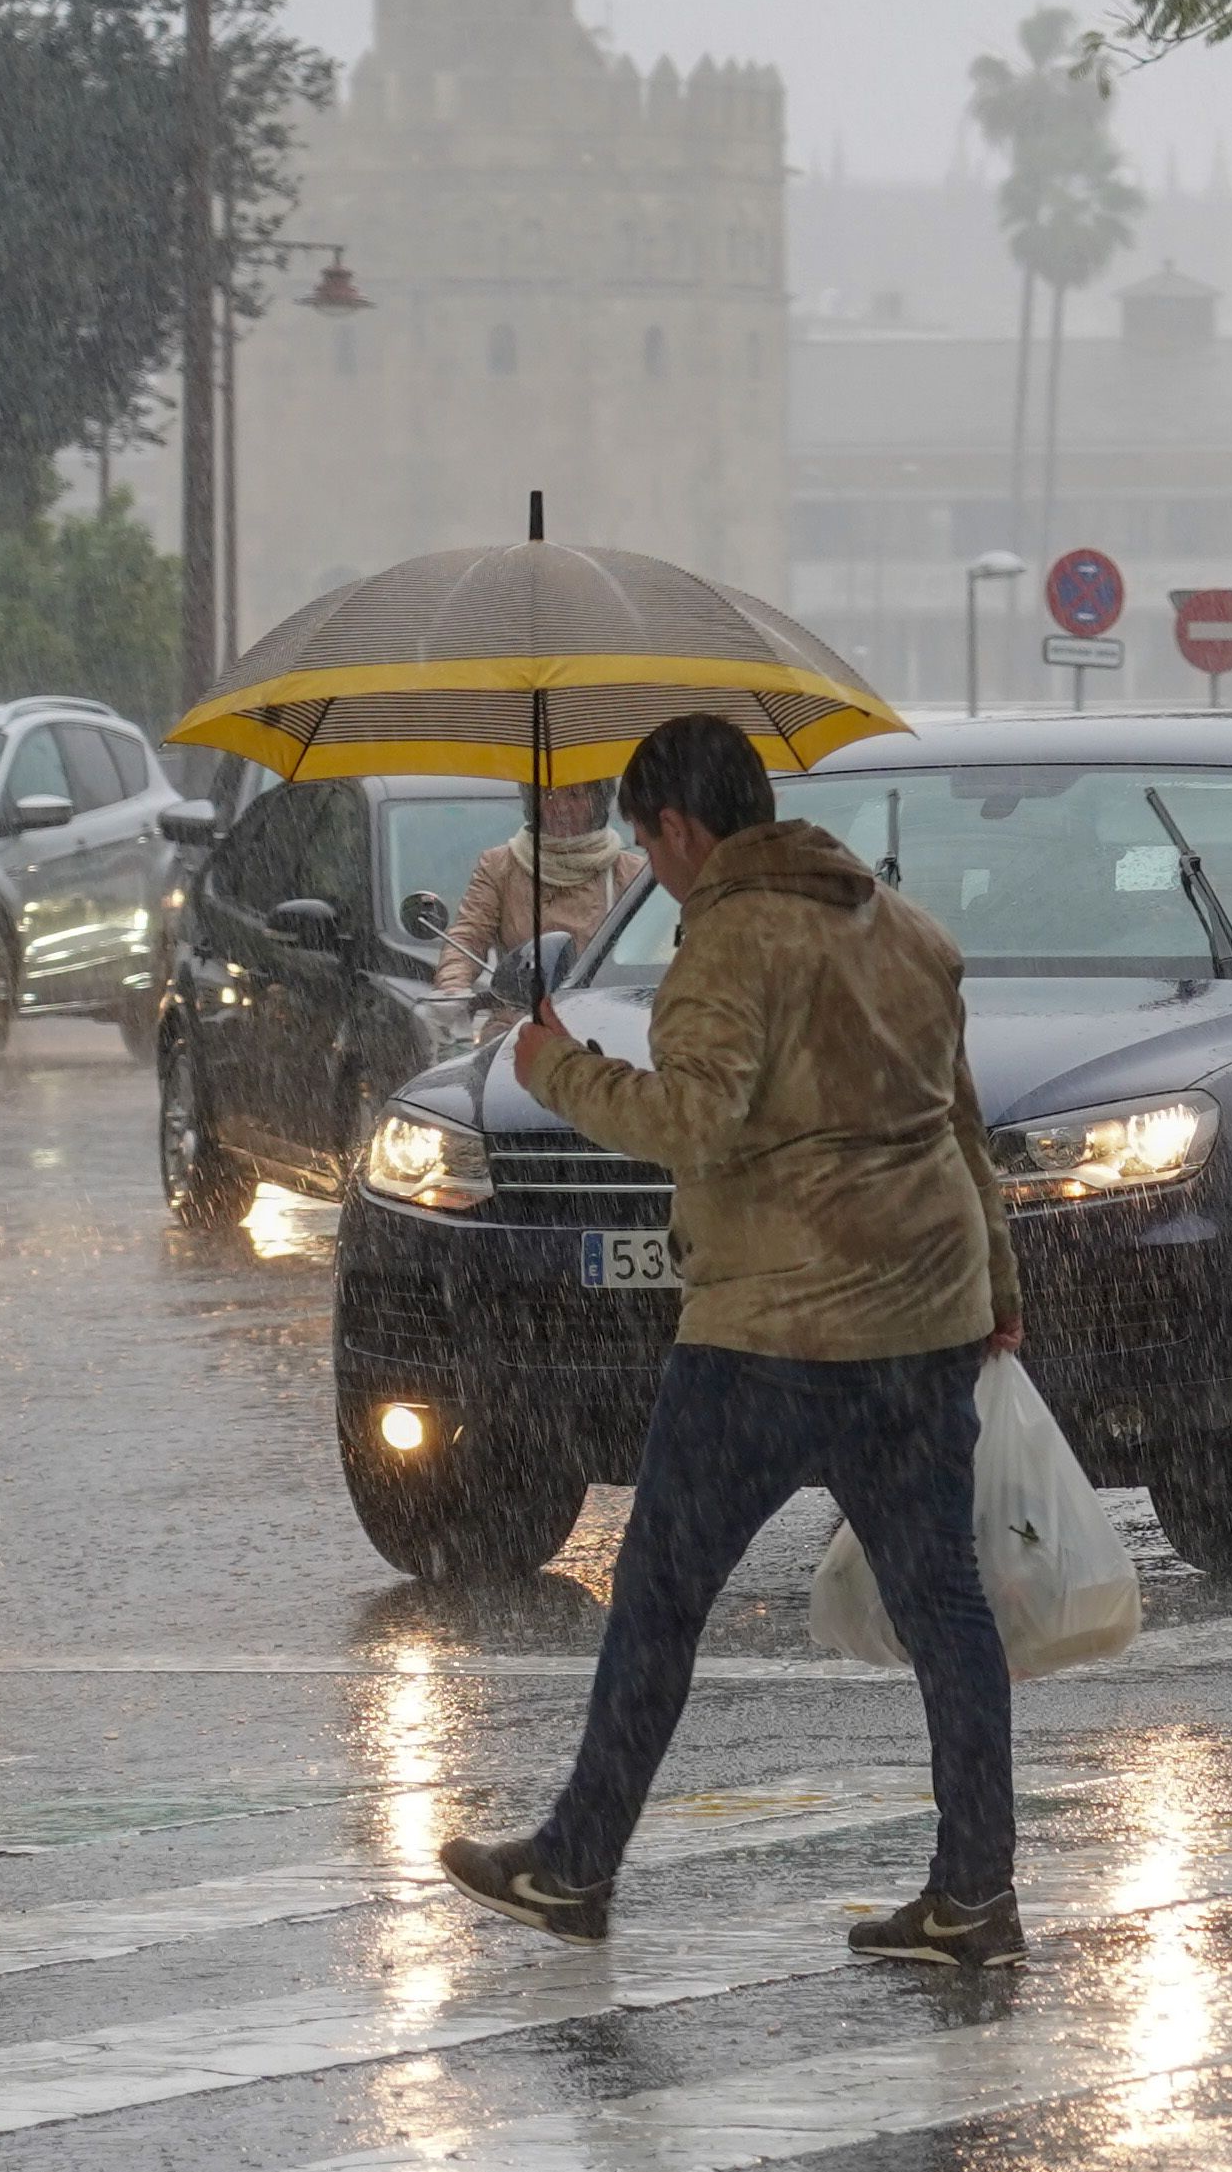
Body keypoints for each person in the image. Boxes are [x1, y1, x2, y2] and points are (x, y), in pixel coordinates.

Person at [437, 713, 1031, 1969]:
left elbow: (694, 1122)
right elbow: (961, 1126)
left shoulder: (729, 940)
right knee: (946, 1608)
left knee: (658, 1597)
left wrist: (552, 1066)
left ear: (681, 828)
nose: (654, 871)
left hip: (769, 1328)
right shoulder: (905, 927)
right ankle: (974, 1891)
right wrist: (999, 1278)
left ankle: (576, 1861)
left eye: (653, 845)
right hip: (922, 1317)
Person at [436, 777, 644, 1004]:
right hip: (519, 1019)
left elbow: (655, 951)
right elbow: (468, 937)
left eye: (574, 795)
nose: (561, 807)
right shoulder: (500, 866)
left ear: (598, 801)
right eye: (549, 795)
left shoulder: (632, 873)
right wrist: (452, 989)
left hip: (603, 1014)